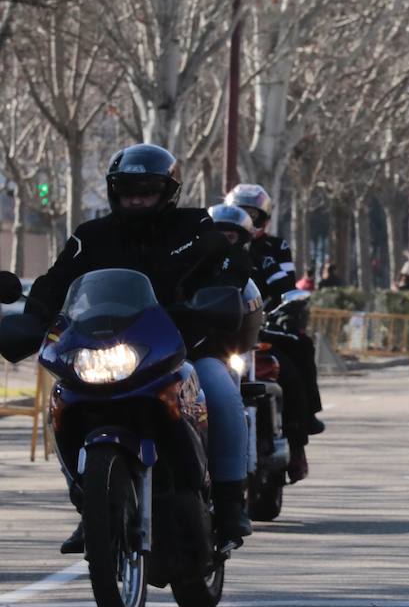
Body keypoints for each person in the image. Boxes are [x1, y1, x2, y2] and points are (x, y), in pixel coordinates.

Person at [24, 144, 257, 551]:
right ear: (114, 191)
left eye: (147, 189)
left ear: (168, 191)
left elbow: (230, 263)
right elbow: (55, 281)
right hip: (109, 349)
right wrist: (32, 317)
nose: (136, 197)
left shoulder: (195, 227)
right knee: (65, 400)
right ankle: (90, 507)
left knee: (220, 390)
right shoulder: (91, 236)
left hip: (184, 347)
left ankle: (231, 499)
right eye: (127, 188)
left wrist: (219, 293)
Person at [209, 204, 313, 482]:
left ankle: (296, 443)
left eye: (232, 235)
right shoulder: (197, 261)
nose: (226, 239)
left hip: (252, 335)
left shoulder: (258, 261)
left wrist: (289, 300)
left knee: (288, 373)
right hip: (209, 341)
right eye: (219, 233)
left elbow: (284, 286)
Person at [225, 184, 326, 439]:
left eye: (252, 214)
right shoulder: (214, 246)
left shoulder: (275, 247)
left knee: (295, 359)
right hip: (223, 328)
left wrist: (282, 303)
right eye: (239, 212)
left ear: (265, 218)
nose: (246, 219)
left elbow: (286, 286)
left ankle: (299, 435)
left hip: (263, 326)